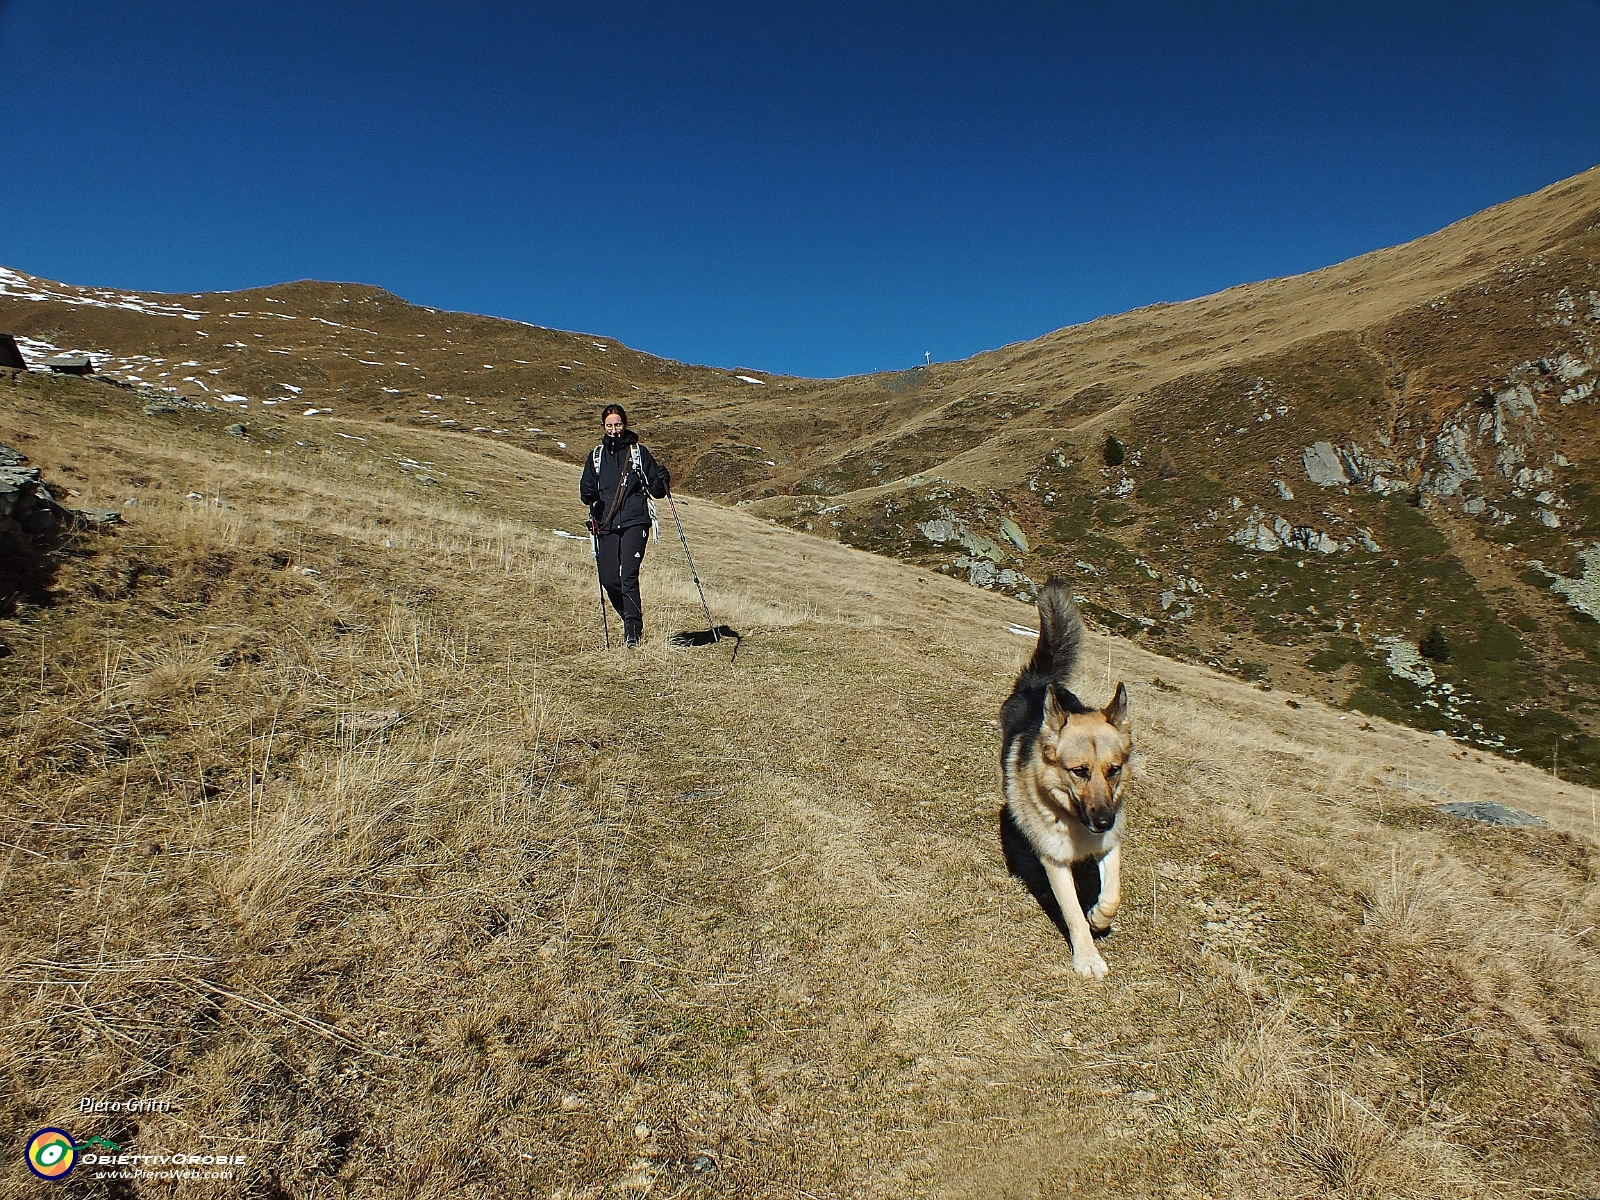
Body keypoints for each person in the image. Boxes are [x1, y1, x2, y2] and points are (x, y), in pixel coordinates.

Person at [579, 404, 671, 648]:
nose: (614, 430)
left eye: (618, 425)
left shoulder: (639, 453)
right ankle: (632, 619)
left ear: (625, 424)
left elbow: (656, 490)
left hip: (635, 520)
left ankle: (632, 631)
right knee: (609, 579)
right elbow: (586, 491)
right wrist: (588, 494)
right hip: (606, 524)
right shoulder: (596, 456)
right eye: (609, 425)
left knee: (628, 575)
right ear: (603, 426)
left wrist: (662, 480)